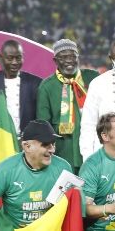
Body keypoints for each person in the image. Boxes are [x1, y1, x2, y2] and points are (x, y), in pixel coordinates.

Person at [0, 39, 42, 170]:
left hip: (29, 150)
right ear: (1, 58)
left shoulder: (36, 83)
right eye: (10, 58)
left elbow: (42, 118)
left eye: (18, 58)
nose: (15, 62)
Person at [36, 39, 100, 172]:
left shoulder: (93, 78)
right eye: (64, 57)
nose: (69, 60)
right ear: (55, 61)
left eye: (73, 56)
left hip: (94, 149)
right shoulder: (47, 86)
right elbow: (43, 123)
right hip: (63, 152)